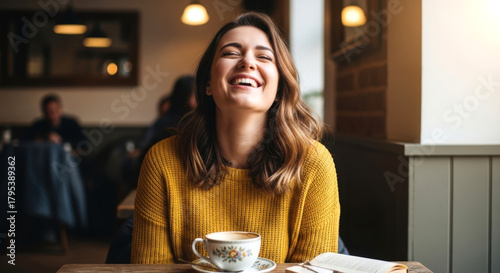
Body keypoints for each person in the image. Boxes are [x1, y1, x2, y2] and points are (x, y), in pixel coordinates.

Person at [131, 12, 340, 264]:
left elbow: (312, 270)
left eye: (264, 56)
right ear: (208, 83)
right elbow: (151, 269)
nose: (247, 62)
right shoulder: (162, 160)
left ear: (279, 89)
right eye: (231, 53)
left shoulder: (313, 164)